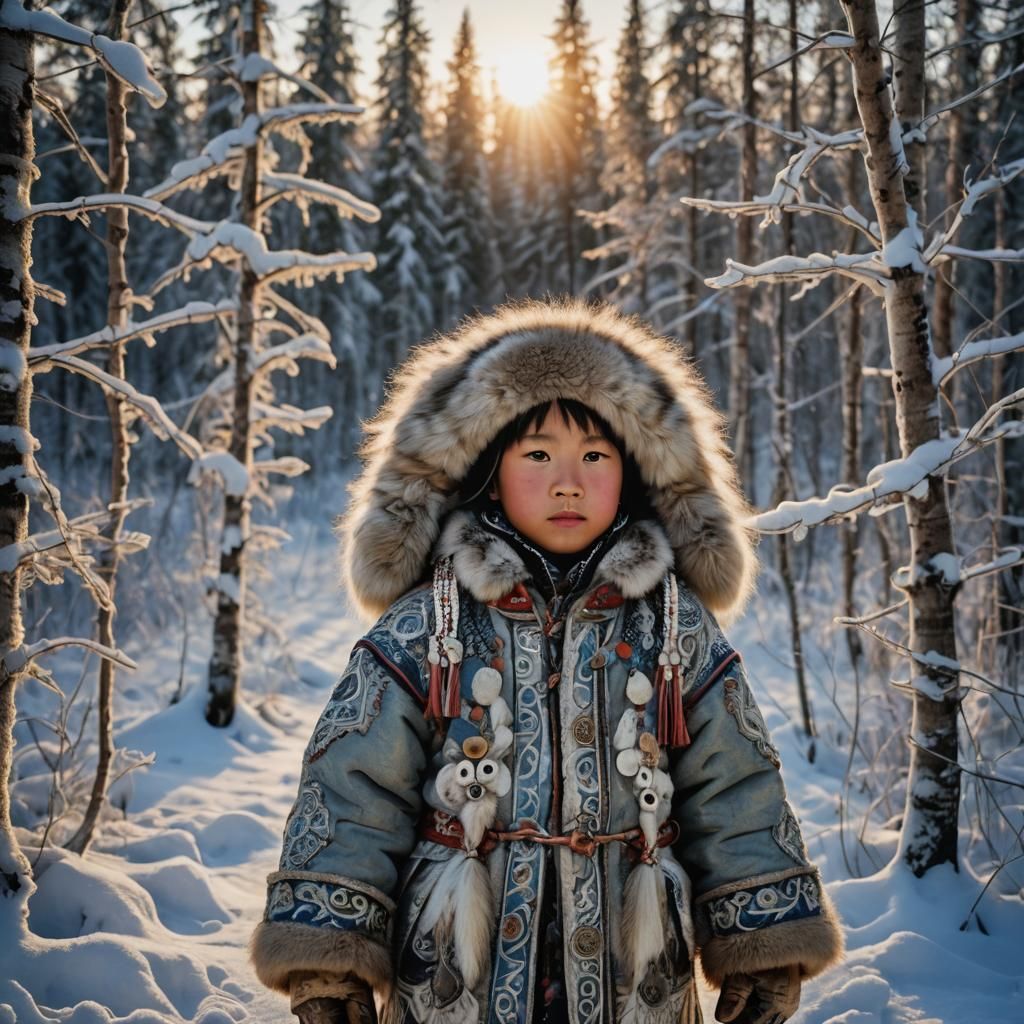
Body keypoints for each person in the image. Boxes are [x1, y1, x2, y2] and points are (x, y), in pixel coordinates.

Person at [250, 302, 843, 1024]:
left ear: (634, 471)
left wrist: (765, 938)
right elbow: (353, 788)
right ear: (487, 472)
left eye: (596, 456)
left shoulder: (674, 625)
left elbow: (736, 784)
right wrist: (326, 960)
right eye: (537, 455)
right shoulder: (428, 624)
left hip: (636, 977)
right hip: (456, 978)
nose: (569, 481)